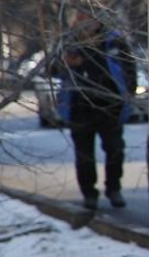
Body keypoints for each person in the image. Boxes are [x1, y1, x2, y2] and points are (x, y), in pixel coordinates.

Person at [55, 11, 136, 210]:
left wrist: (129, 93)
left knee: (115, 149)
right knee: (84, 154)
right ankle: (89, 194)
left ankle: (113, 188)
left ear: (96, 20)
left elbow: (129, 67)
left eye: (86, 19)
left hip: (110, 106)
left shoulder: (114, 41)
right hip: (79, 107)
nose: (82, 24)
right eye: (78, 19)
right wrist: (64, 64)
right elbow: (51, 70)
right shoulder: (68, 44)